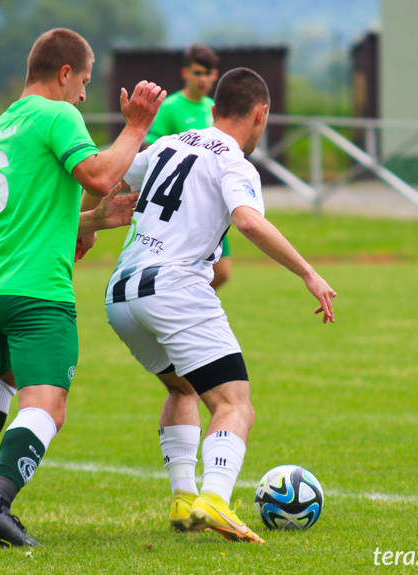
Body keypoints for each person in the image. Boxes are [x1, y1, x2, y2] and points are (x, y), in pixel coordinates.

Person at [0, 28, 165, 547]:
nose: (84, 94)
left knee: (4, 374)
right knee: (48, 402)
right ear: (64, 73)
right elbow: (99, 174)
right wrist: (136, 128)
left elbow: (29, 211)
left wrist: (88, 223)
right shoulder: (58, 115)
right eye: (84, 81)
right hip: (35, 291)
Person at [104, 68, 336, 542]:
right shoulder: (236, 162)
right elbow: (248, 222)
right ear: (261, 114)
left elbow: (108, 179)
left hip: (121, 294)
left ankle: (184, 497)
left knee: (183, 389)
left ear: (213, 109)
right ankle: (215, 497)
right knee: (234, 403)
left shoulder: (171, 142)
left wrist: (87, 226)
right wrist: (309, 273)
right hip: (175, 288)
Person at [143, 44, 232, 290]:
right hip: (180, 204)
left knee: (222, 272)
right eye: (197, 73)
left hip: (212, 203)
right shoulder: (171, 107)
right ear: (186, 73)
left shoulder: (214, 107)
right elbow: (151, 147)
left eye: (208, 73)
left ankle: (187, 302)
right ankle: (177, 305)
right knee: (180, 267)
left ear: (215, 75)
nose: (203, 79)